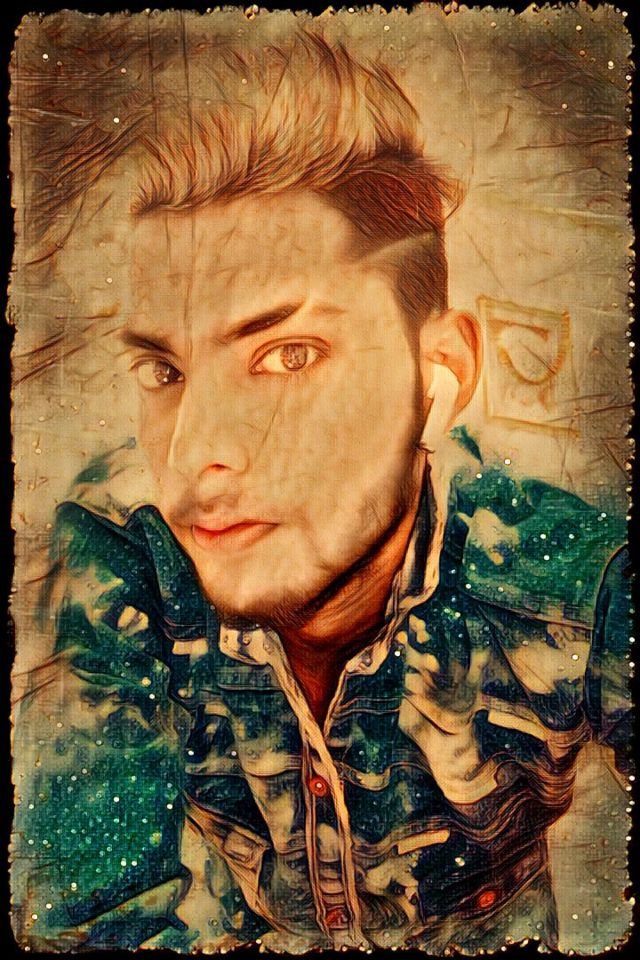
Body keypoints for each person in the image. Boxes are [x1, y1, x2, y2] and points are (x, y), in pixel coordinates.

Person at [12, 28, 631, 953]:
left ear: (441, 374)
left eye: (288, 355)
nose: (195, 451)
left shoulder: (573, 579)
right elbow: (89, 926)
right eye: (162, 371)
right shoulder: (121, 556)